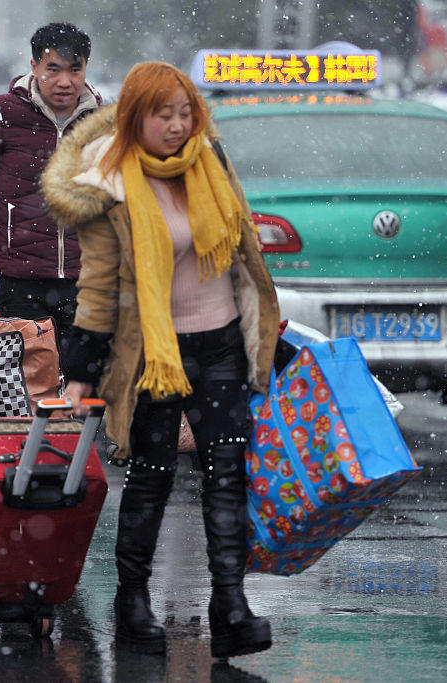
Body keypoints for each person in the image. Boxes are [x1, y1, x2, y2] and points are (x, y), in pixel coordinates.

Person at [42, 62, 281, 658]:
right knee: (152, 476)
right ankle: (132, 601)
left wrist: (262, 331)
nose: (177, 126)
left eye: (185, 113)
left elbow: (243, 250)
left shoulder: (209, 161)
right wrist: (80, 372)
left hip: (221, 343)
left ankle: (229, 604)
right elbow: (98, 286)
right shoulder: (112, 184)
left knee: (227, 472)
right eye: (163, 115)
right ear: (135, 119)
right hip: (154, 352)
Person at [0, 22, 99, 349]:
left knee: (85, 375)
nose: (65, 81)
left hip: (90, 279)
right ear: (34, 66)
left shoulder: (102, 120)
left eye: (75, 70)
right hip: (22, 279)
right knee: (27, 372)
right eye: (53, 69)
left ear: (86, 68)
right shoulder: (3, 112)